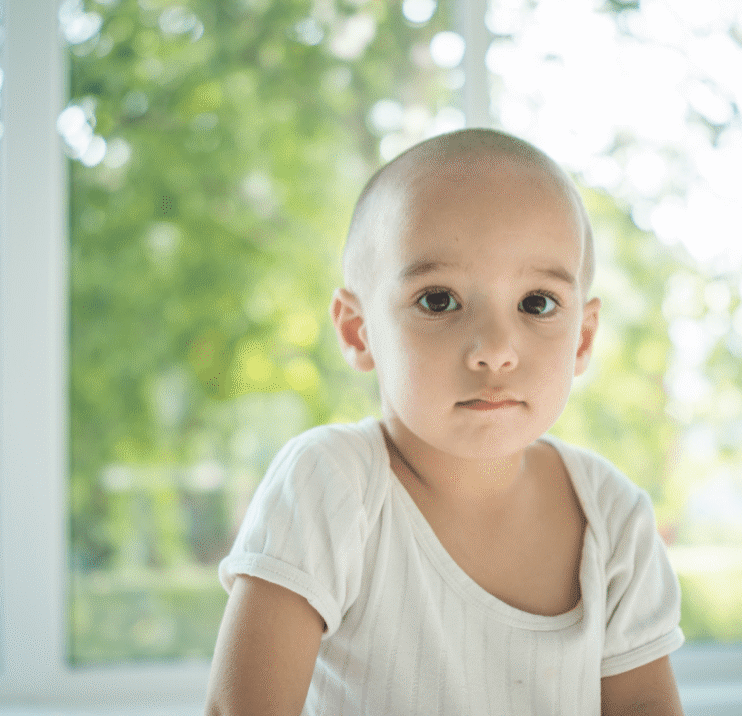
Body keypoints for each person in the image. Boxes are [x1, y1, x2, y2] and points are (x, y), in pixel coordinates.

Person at [204, 128, 685, 715]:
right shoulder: (331, 484)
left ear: (582, 338)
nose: (494, 349)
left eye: (537, 303)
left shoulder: (613, 518)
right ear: (358, 331)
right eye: (439, 300)